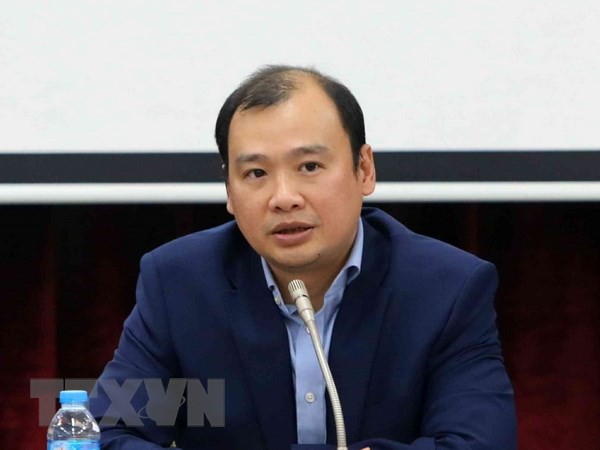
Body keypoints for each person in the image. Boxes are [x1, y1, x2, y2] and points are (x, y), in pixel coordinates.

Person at [90, 65, 517, 449]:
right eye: (256, 173)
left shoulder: (446, 289)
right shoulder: (182, 284)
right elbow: (111, 433)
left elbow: (479, 442)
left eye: (309, 166)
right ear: (229, 191)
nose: (284, 197)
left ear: (364, 170)